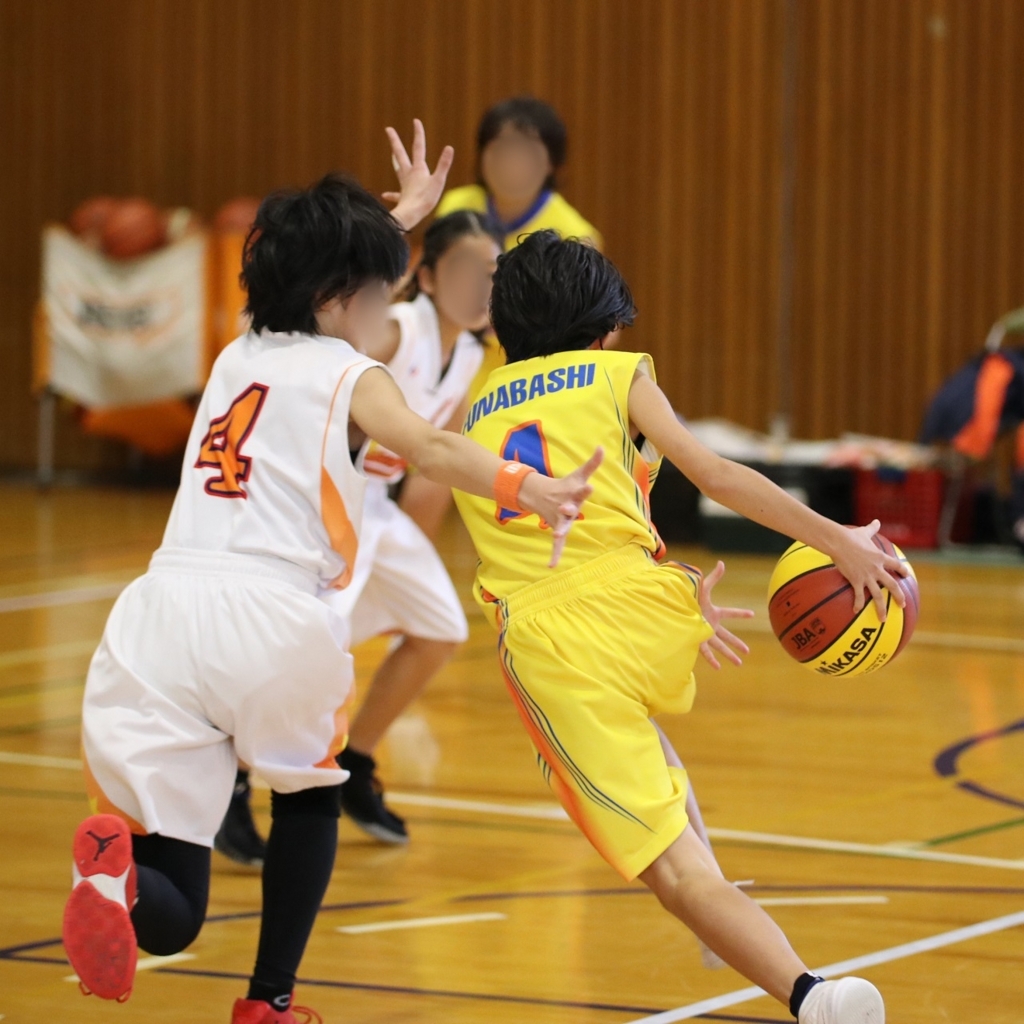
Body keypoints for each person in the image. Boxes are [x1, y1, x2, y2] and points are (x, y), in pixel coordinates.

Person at [61, 126, 599, 1024]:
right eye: (380, 290)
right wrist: (526, 485)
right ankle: (270, 1001)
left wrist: (407, 221)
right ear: (335, 296)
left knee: (173, 912)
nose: (390, 308)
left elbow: (321, 269)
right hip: (269, 619)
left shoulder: (237, 351)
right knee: (310, 797)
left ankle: (109, 881)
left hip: (156, 618)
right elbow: (427, 442)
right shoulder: (352, 371)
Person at [453, 230, 907, 1023]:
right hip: (654, 601)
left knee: (672, 876)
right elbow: (715, 474)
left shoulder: (470, 415)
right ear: (598, 330)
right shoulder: (617, 372)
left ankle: (812, 995)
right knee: (654, 757)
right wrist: (837, 537)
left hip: (554, 637)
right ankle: (724, 903)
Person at [216, 211, 502, 854]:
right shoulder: (401, 330)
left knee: (440, 627)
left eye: (491, 273)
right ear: (426, 275)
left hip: (375, 507)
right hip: (325, 505)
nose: (481, 285)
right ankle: (229, 782)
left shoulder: (472, 352)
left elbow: (433, 464)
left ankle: (359, 763)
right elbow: (314, 360)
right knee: (305, 653)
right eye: (465, 270)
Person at [436, 95, 601, 250]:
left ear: (550, 163)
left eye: (526, 153)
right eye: (502, 150)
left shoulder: (575, 238)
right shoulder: (455, 206)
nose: (512, 163)